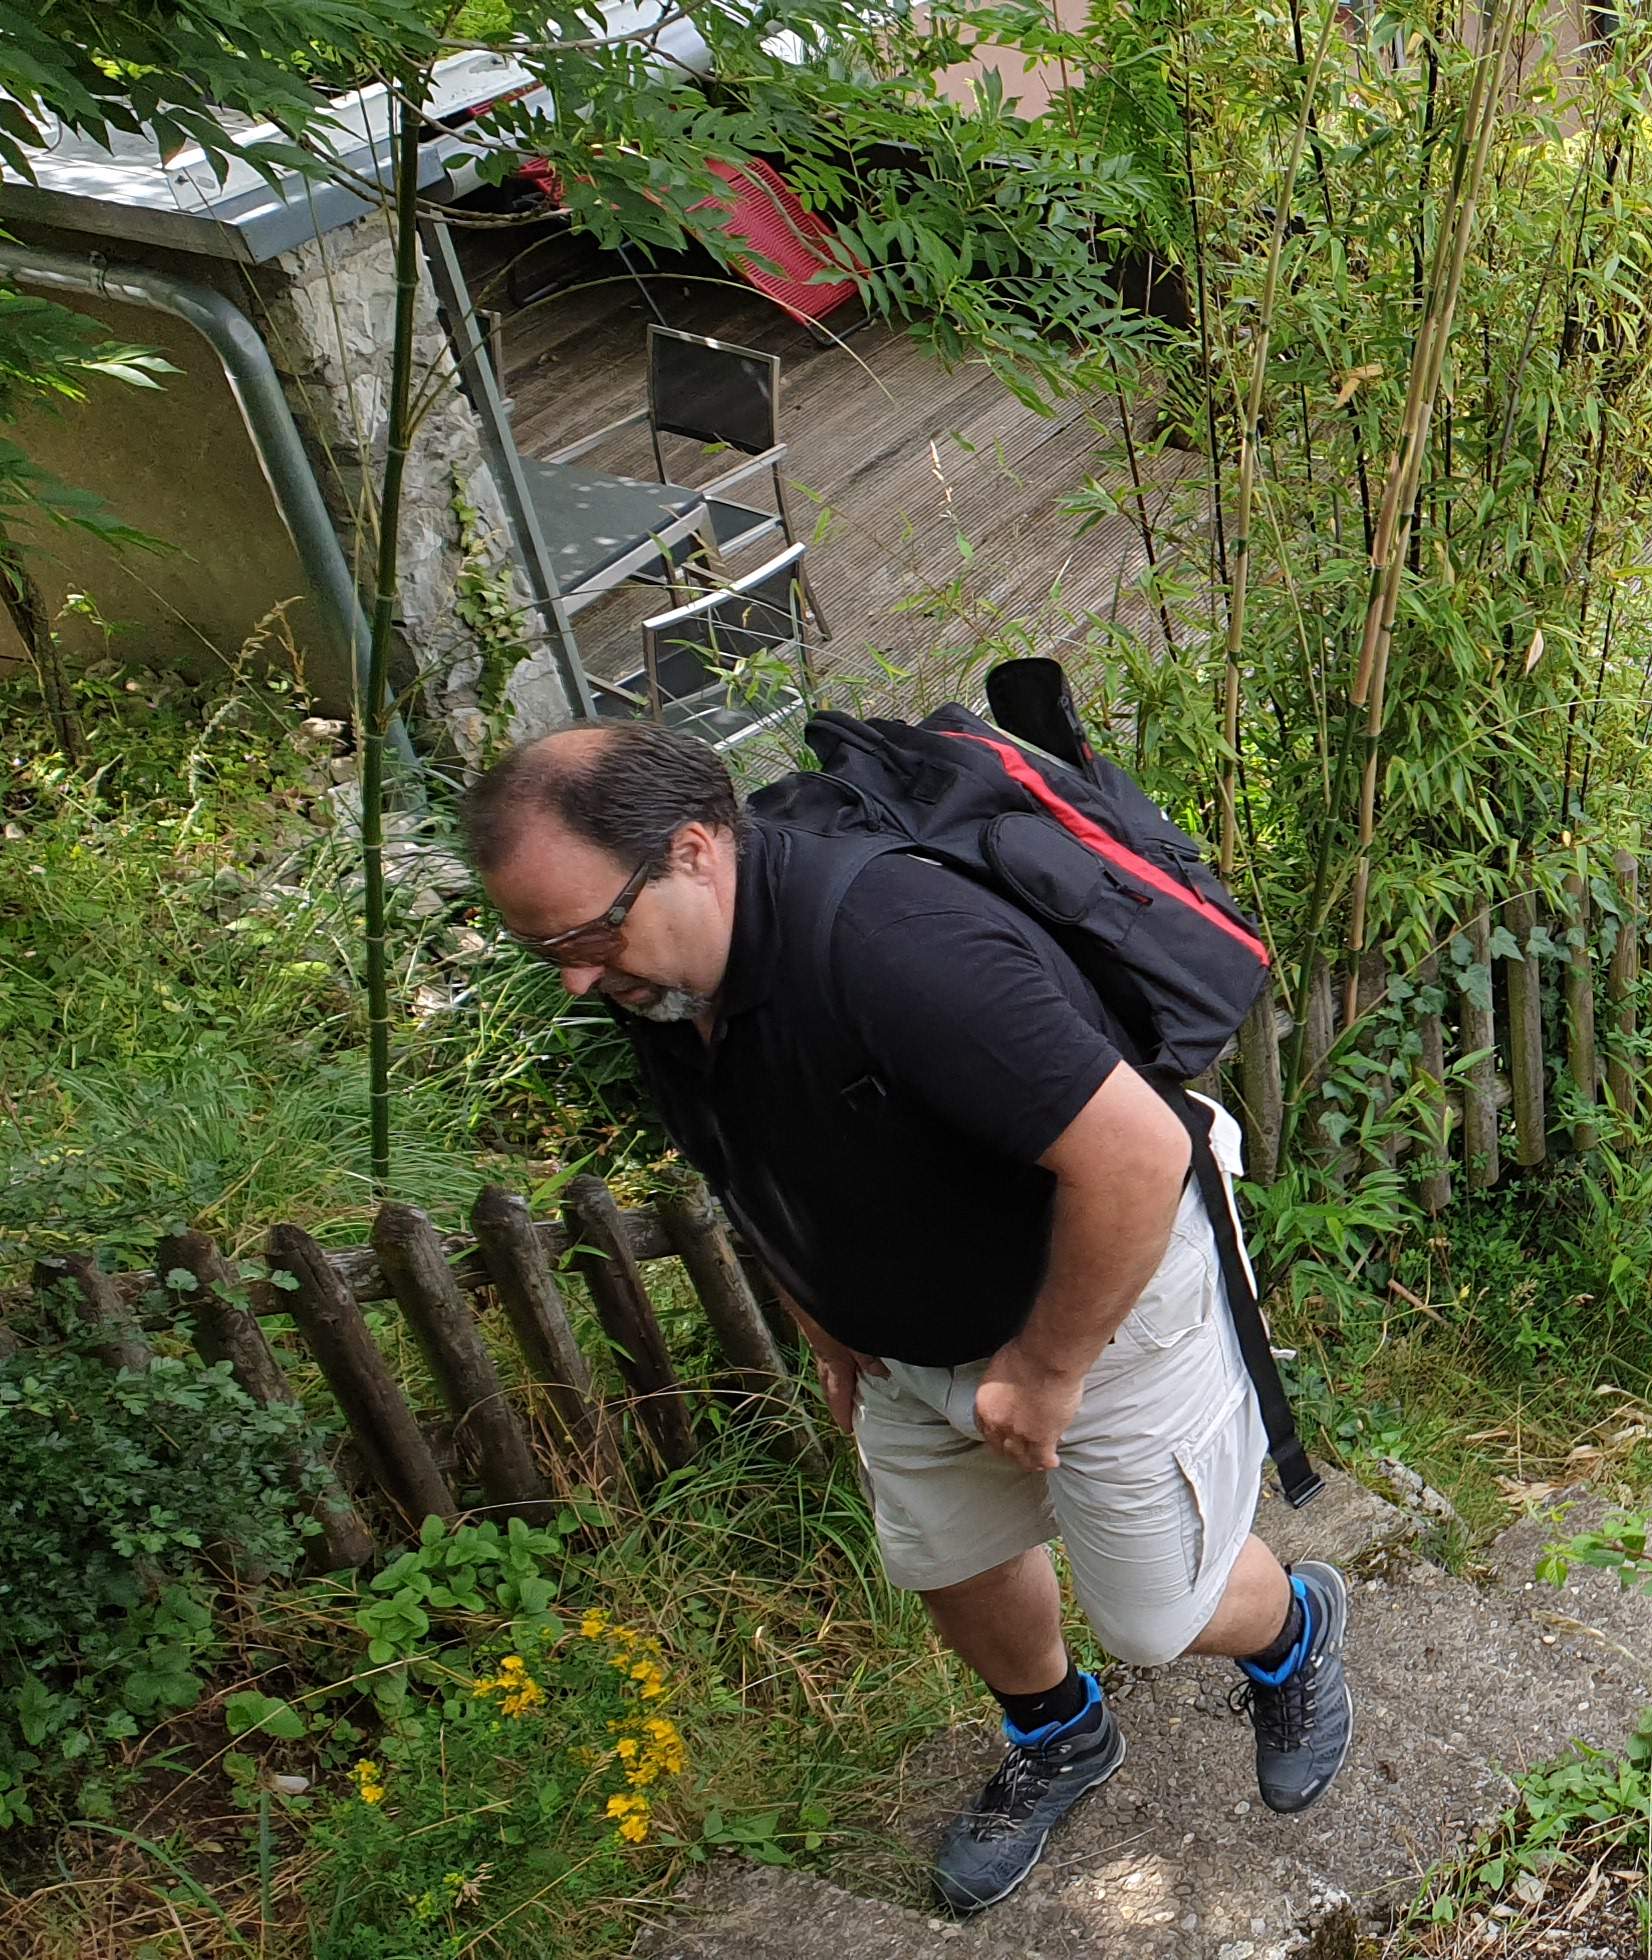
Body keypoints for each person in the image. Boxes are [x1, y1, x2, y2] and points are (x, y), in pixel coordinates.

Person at [461, 722, 1356, 1917]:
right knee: (948, 1556)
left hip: (1100, 1306)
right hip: (904, 1333)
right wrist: (820, 1315)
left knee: (1158, 1614)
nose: (575, 976)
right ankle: (1058, 1732)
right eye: (546, 949)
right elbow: (739, 1150)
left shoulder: (897, 948)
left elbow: (1140, 1157)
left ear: (691, 850)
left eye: (583, 934)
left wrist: (1045, 1368)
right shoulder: (666, 975)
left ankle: (1292, 1629)